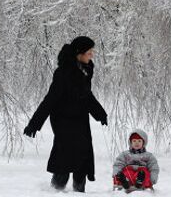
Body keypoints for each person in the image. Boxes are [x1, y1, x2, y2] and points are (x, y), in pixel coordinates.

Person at [23, 36, 108, 193]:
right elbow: (50, 99)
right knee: (65, 156)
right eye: (89, 52)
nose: (92, 54)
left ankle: (79, 191)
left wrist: (100, 113)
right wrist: (34, 124)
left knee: (83, 156)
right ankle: (56, 190)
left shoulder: (86, 70)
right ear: (79, 53)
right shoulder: (63, 73)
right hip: (63, 121)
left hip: (80, 120)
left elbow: (87, 95)